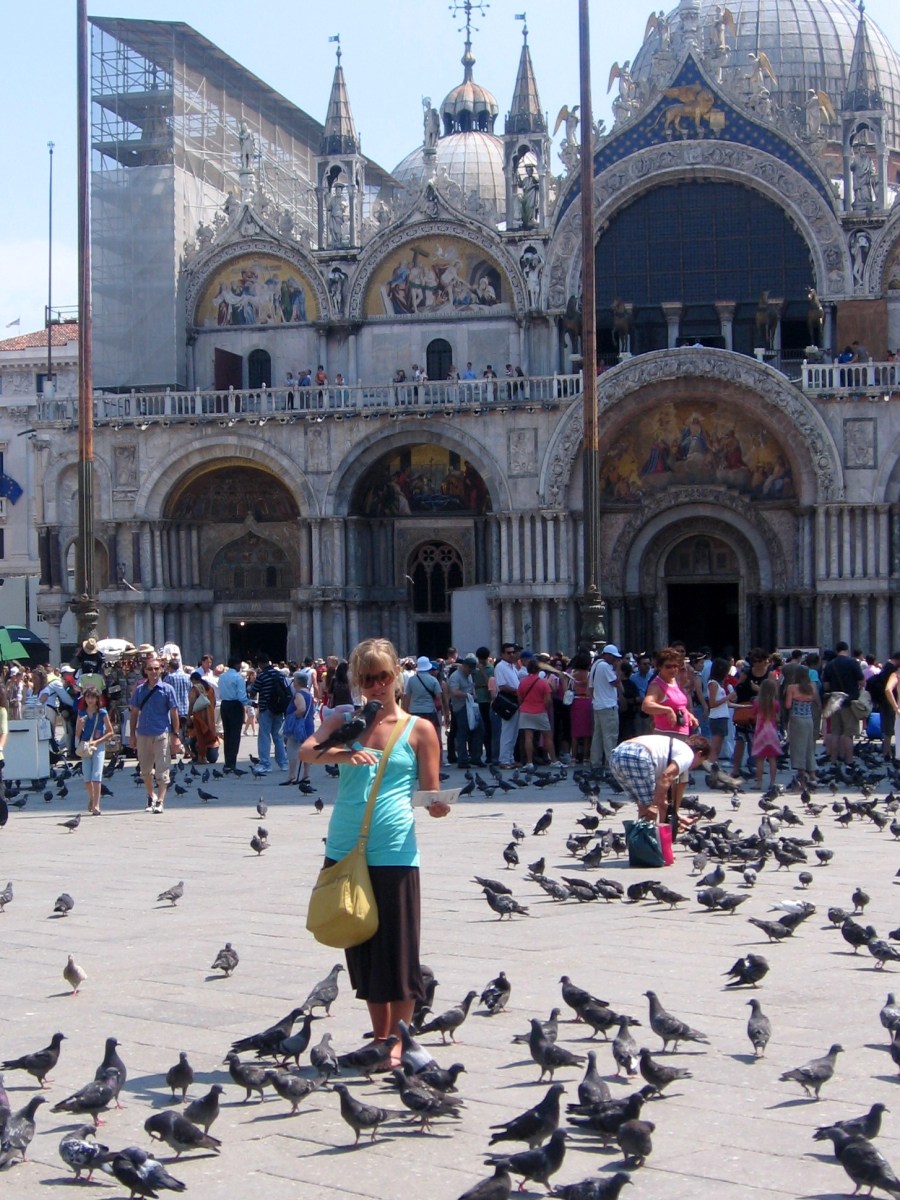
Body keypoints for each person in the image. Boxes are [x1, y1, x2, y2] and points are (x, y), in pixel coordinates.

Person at [298, 638, 448, 1065]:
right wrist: (347, 753)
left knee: (397, 949)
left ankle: (399, 1041)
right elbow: (308, 751)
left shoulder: (420, 728)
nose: (377, 685)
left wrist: (438, 807)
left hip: (395, 847)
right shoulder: (344, 717)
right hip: (345, 843)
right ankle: (379, 1035)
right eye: (368, 679)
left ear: (395, 678)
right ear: (357, 682)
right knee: (360, 941)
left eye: (383, 677)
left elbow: (431, 790)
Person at [610, 732, 710, 824]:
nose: (697, 766)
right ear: (699, 754)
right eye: (701, 761)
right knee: (648, 809)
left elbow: (663, 797)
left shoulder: (673, 749)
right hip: (637, 755)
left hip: (617, 754)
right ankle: (648, 841)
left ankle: (651, 836)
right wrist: (654, 806)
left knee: (643, 804)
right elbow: (666, 776)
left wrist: (676, 818)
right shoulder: (688, 754)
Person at [129, 657, 181, 813]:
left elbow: (174, 712)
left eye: (157, 668)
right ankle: (150, 795)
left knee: (162, 769)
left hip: (161, 733)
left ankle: (160, 800)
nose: (154, 672)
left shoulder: (167, 689)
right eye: (150, 669)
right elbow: (134, 713)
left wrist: (175, 735)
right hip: (143, 733)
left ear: (162, 669)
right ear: (145, 671)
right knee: (145, 770)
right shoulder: (139, 690)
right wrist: (132, 734)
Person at [822, 641, 865, 766]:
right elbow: (862, 681)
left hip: (835, 701)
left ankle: (834, 759)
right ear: (847, 649)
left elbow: (826, 685)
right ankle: (849, 760)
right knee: (848, 733)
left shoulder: (830, 665)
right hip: (849, 701)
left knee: (835, 732)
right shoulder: (853, 663)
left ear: (836, 650)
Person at [641, 647, 698, 738]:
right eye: (668, 666)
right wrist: (668, 710)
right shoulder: (656, 685)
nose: (673, 670)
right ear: (659, 667)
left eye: (675, 666)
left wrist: (689, 715)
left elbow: (679, 705)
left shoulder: (675, 681)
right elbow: (646, 706)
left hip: (683, 733)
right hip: (666, 735)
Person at [75, 686, 115, 815]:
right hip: (86, 746)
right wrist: (80, 726)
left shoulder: (102, 713)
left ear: (97, 699)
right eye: (88, 697)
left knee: (96, 776)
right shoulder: (81, 713)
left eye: (92, 697)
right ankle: (92, 799)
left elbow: (110, 732)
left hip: (98, 746)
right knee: (87, 778)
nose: (90, 700)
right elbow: (77, 734)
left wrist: (97, 742)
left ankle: (97, 805)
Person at [517, 658, 556, 770]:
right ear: (538, 670)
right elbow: (548, 700)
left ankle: (529, 762)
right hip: (540, 711)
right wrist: (545, 708)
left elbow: (519, 698)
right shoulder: (543, 683)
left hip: (525, 711)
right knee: (547, 736)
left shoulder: (523, 682)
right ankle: (553, 760)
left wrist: (524, 706)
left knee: (528, 737)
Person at [447, 654, 485, 768]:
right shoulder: (455, 676)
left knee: (480, 729)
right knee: (463, 732)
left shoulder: (469, 675)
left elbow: (471, 686)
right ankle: (463, 759)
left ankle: (476, 757)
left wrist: (474, 696)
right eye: (469, 669)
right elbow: (454, 691)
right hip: (461, 707)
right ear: (464, 666)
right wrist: (467, 695)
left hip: (472, 706)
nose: (470, 672)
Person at [589, 644, 623, 770]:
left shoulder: (596, 665)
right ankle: (611, 763)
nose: (615, 660)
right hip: (608, 705)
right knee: (610, 736)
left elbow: (591, 686)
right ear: (607, 655)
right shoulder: (605, 666)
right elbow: (615, 682)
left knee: (597, 736)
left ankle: (595, 762)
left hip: (598, 705)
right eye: (614, 657)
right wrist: (618, 669)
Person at [784, 666, 818, 788]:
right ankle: (813, 773)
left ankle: (802, 776)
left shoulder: (792, 687)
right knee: (809, 746)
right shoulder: (811, 687)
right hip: (809, 718)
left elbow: (788, 705)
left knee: (798, 747)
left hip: (796, 718)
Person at [494, 642, 523, 769]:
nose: (511, 655)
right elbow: (502, 686)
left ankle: (510, 758)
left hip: (516, 700)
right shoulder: (500, 667)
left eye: (513, 652)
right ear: (502, 654)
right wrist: (517, 691)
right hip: (508, 699)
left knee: (514, 732)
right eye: (508, 653)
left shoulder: (512, 667)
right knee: (507, 731)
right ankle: (504, 760)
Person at [218, 658, 249, 772]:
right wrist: (249, 703)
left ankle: (227, 762)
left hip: (224, 704)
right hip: (235, 705)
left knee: (227, 734)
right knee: (235, 735)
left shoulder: (222, 676)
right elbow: (241, 696)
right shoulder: (238, 677)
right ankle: (232, 763)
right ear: (236, 665)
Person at [751, 677, 781, 789]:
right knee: (772, 758)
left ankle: (759, 783)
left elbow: (753, 715)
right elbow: (777, 716)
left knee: (760, 758)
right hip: (772, 732)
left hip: (760, 732)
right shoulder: (776, 703)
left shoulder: (757, 702)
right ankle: (772, 782)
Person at [186, 670, 219, 764]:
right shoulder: (210, 688)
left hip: (199, 716)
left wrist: (189, 717)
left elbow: (191, 704)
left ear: (193, 680)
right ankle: (208, 754)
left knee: (200, 736)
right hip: (210, 716)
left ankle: (201, 757)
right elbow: (214, 702)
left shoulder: (195, 688)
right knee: (209, 733)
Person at [705, 658, 733, 767]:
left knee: (719, 747)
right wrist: (728, 697)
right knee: (715, 747)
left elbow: (726, 704)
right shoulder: (713, 684)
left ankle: (714, 766)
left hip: (722, 716)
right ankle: (711, 766)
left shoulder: (718, 684)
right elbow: (712, 703)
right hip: (717, 717)